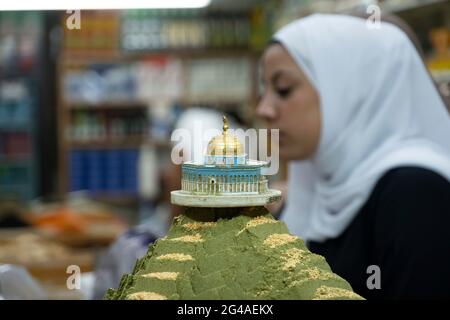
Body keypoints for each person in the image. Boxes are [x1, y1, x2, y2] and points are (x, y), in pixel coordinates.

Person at [256, 14, 450, 299]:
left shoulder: (415, 192)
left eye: (283, 89)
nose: (264, 109)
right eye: (265, 90)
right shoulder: (317, 185)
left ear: (346, 89)